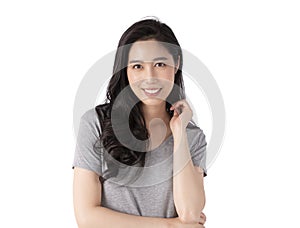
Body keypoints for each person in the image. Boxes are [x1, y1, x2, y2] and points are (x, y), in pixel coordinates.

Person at [72, 17, 208, 228]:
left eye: (160, 64)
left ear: (177, 63)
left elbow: (190, 214)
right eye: (137, 66)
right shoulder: (96, 123)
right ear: (125, 70)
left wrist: (179, 133)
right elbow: (87, 218)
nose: (150, 77)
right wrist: (170, 226)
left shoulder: (193, 137)